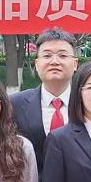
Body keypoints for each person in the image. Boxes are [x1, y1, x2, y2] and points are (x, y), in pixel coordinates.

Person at [11, 27, 78, 167]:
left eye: (62, 56)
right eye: (47, 56)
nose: (54, 61)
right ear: (37, 64)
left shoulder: (87, 103)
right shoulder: (15, 104)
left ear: (75, 64)